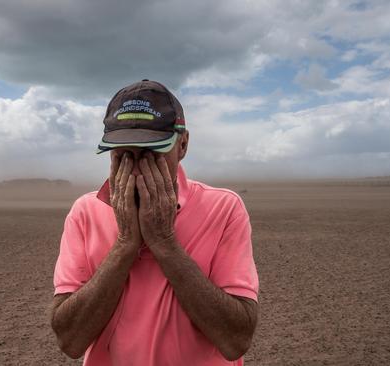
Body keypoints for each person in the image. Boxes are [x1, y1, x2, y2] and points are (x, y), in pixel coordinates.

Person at [50, 79, 259, 365]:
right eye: (123, 154)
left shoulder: (223, 208)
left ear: (182, 144)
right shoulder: (85, 212)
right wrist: (125, 245)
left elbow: (236, 340)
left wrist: (164, 242)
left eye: (150, 153)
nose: (136, 169)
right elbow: (70, 340)